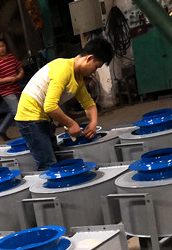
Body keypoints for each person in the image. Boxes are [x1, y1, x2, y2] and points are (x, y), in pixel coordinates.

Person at [15, 38, 114, 170]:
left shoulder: (77, 77)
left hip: (42, 118)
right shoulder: (63, 69)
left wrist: (93, 123)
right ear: (89, 58)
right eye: (96, 67)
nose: (94, 71)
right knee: (48, 164)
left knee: (55, 158)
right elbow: (50, 106)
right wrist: (71, 124)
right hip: (29, 118)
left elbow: (89, 104)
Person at [0, 40, 24, 141]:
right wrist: (9, 79)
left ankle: (2, 130)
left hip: (16, 89)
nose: (1, 49)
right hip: (6, 91)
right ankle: (25, 133)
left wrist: (19, 76)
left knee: (14, 111)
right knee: (18, 112)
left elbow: (20, 68)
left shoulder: (11, 57)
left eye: (3, 46)